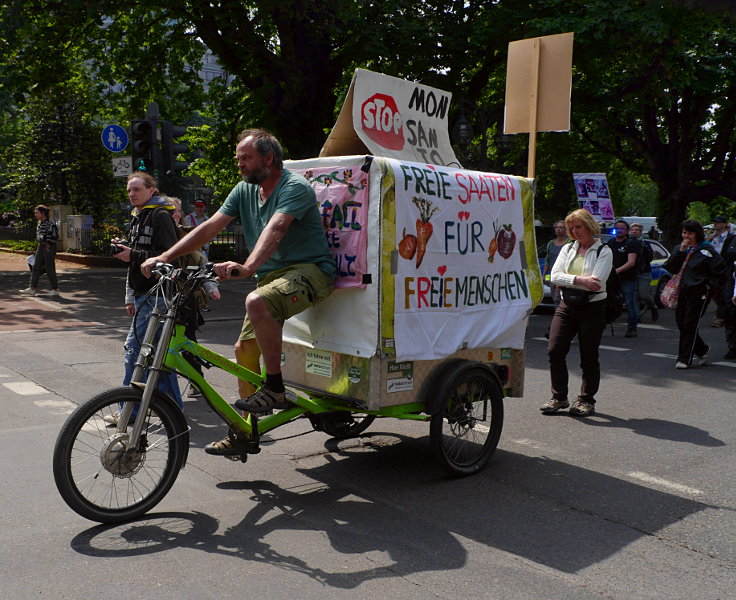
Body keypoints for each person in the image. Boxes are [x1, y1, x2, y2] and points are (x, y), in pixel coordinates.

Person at [141, 128, 336, 455]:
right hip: (273, 276)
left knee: (257, 300)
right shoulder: (245, 191)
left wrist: (247, 267)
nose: (240, 165)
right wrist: (165, 256)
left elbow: (276, 228)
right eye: (239, 159)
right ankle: (245, 431)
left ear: (268, 158)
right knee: (244, 351)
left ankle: (274, 388)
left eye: (246, 158)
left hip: (310, 271)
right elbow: (210, 227)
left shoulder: (294, 187)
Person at [107, 171, 183, 423]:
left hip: (157, 294)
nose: (131, 194)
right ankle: (174, 411)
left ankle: (129, 411)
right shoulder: (139, 217)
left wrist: (134, 254)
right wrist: (127, 253)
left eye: (137, 189)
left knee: (135, 351)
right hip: (144, 294)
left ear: (152, 190)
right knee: (156, 357)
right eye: (129, 190)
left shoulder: (160, 215)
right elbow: (140, 255)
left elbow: (169, 255)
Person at [540, 209, 612, 417]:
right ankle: (559, 397)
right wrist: (580, 280)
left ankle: (586, 399)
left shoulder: (603, 251)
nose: (575, 231)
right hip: (566, 306)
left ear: (590, 226)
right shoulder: (569, 248)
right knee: (555, 350)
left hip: (592, 308)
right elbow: (554, 276)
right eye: (572, 228)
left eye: (578, 226)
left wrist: (568, 280)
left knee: (588, 356)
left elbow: (596, 284)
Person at [169, 196, 221, 397]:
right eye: (167, 212)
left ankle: (197, 382)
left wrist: (210, 287)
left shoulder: (187, 234)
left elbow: (202, 264)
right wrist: (130, 298)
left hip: (186, 297)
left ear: (180, 214)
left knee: (186, 341)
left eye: (175, 211)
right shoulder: (158, 236)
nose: (172, 215)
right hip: (160, 298)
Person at [662, 219, 727, 370]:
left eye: (690, 233)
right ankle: (702, 349)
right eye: (684, 232)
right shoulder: (679, 248)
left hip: (699, 293)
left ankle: (684, 358)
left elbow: (721, 272)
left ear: (697, 234)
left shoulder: (707, 250)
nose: (687, 236)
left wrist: (709, 286)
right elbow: (670, 267)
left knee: (690, 324)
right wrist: (680, 252)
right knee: (682, 324)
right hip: (682, 292)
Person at [606, 219, 640, 337]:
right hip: (613, 279)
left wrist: (616, 271)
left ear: (627, 231)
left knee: (630, 303)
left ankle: (632, 327)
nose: (619, 231)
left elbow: (631, 262)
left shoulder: (631, 243)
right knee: (608, 301)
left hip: (627, 279)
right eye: (617, 228)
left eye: (622, 228)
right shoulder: (610, 243)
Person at [19, 205, 60, 297]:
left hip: (49, 247)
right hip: (41, 246)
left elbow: (55, 236)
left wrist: (45, 238)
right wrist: (41, 239)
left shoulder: (51, 223)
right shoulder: (39, 223)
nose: (35, 214)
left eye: (37, 212)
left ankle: (55, 289)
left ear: (43, 213)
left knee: (50, 268)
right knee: (36, 267)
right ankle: (32, 288)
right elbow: (39, 236)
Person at [706, 216, 734, 327]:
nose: (716, 224)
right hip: (712, 268)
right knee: (715, 292)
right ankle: (724, 313)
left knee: (723, 292)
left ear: (724, 224)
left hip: (725, 269)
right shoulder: (712, 238)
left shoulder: (730, 238)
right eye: (715, 222)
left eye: (718, 223)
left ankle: (720, 317)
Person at [630, 222, 659, 322]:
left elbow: (650, 258)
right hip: (631, 273)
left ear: (641, 232)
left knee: (643, 294)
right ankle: (636, 316)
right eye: (632, 230)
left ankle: (653, 308)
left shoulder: (645, 244)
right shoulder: (628, 242)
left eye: (636, 230)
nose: (634, 231)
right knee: (633, 296)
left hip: (644, 273)